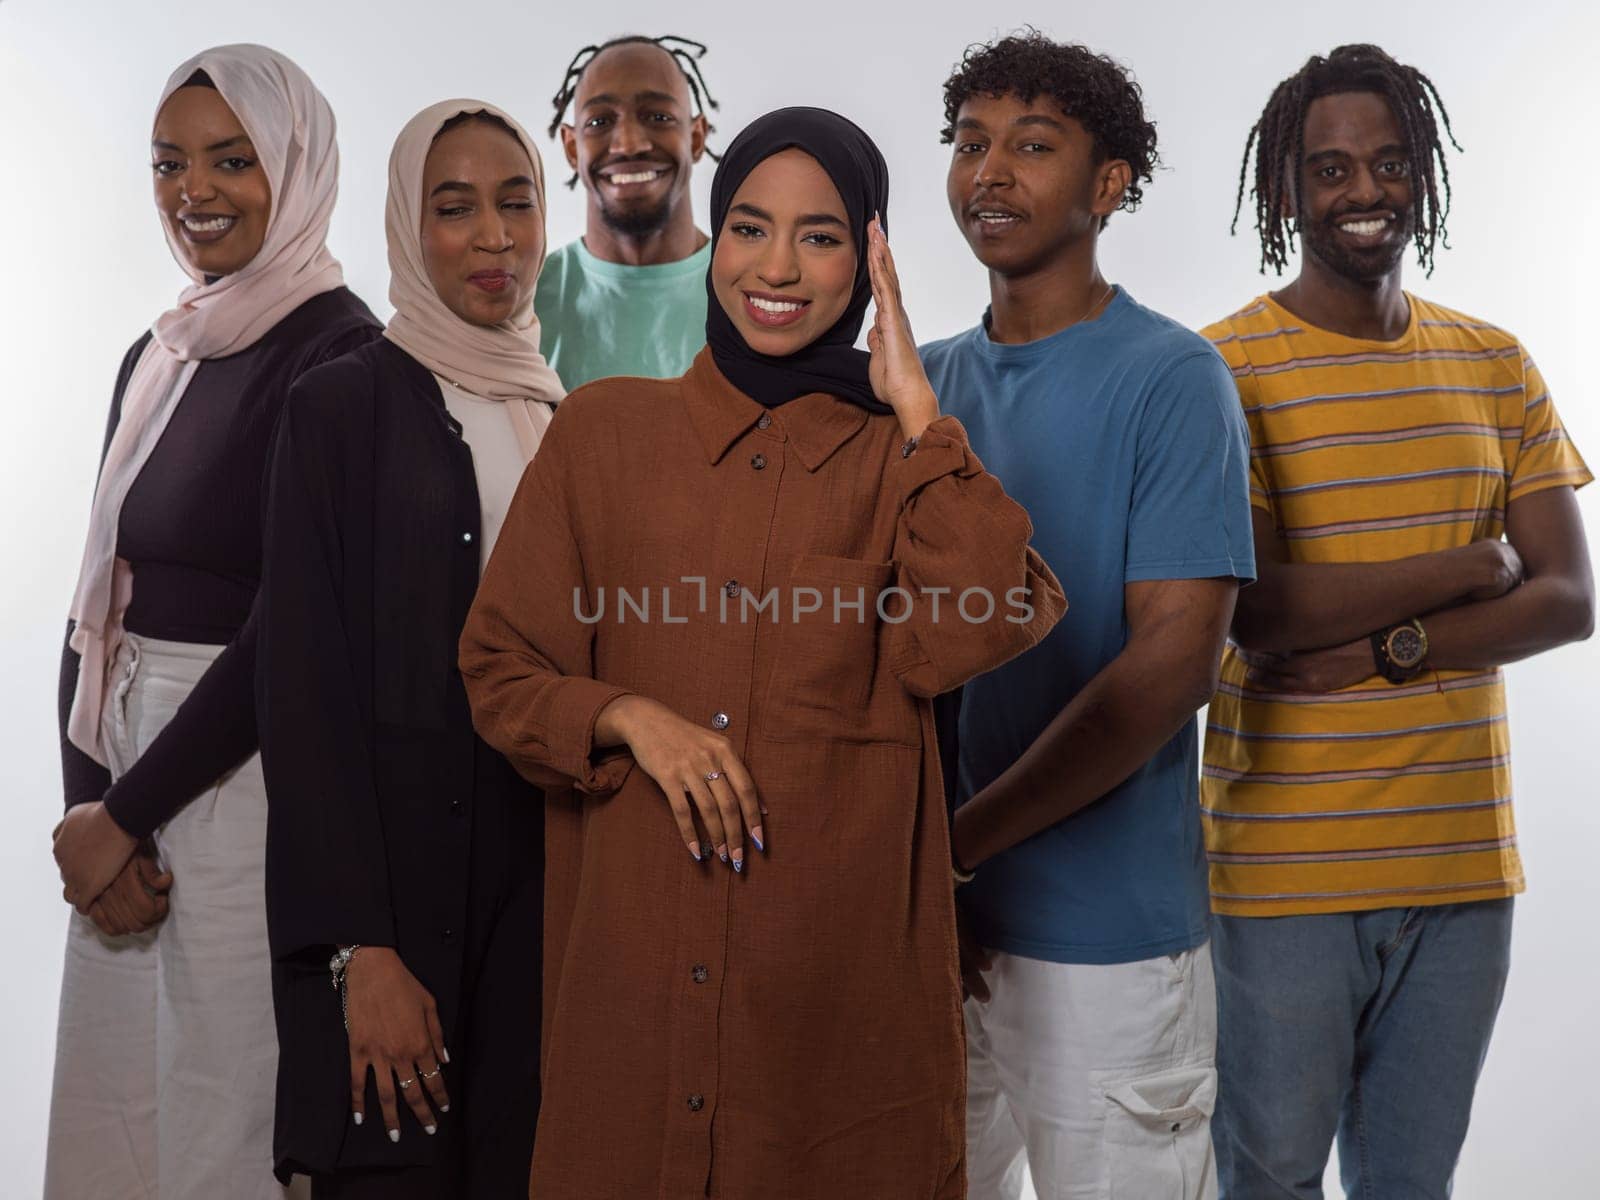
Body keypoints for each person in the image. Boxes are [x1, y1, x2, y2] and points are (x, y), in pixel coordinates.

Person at [460, 107, 1065, 1199]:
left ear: (870, 262)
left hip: (832, 1059)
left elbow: (984, 617)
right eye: (748, 226)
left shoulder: (904, 467)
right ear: (712, 237)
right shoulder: (600, 435)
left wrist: (920, 412)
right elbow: (500, 671)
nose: (776, 266)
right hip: (633, 1023)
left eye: (823, 236)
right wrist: (630, 718)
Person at [1203, 43, 1594, 1199]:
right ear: (1285, 189)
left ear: (1421, 172)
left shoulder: (1496, 362)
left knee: (1411, 1185)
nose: (1361, 192)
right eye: (1327, 170)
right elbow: (1262, 607)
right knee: (1267, 1176)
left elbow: (1567, 599)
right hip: (1280, 869)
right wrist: (1475, 561)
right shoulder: (1222, 370)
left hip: (1462, 866)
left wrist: (1388, 648)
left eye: (1386, 163)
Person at [919, 32, 1255, 1200]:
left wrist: (959, 848)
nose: (989, 172)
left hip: (1108, 951)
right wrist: (924, 881)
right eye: (969, 142)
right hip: (935, 940)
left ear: (1108, 185)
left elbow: (1168, 672)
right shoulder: (922, 382)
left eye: (1033, 145)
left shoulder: (1171, 377)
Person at [46, 44, 380, 1199]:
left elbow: (293, 624)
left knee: (220, 1118)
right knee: (114, 1122)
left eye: (232, 161)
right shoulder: (159, 353)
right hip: (125, 765)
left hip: (244, 783)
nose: (195, 191)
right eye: (168, 163)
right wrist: (85, 809)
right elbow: (99, 589)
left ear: (296, 165)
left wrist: (128, 811)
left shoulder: (344, 357)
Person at [256, 99, 558, 1197]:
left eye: (516, 202)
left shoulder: (564, 419)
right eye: (454, 207)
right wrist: (357, 957)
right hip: (390, 921)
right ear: (404, 225)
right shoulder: (338, 406)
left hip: (530, 920)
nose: (493, 238)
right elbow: (302, 696)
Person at [535, 34, 718, 388]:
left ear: (696, 137)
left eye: (659, 116)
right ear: (572, 148)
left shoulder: (753, 296)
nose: (629, 144)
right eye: (599, 122)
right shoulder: (524, 304)